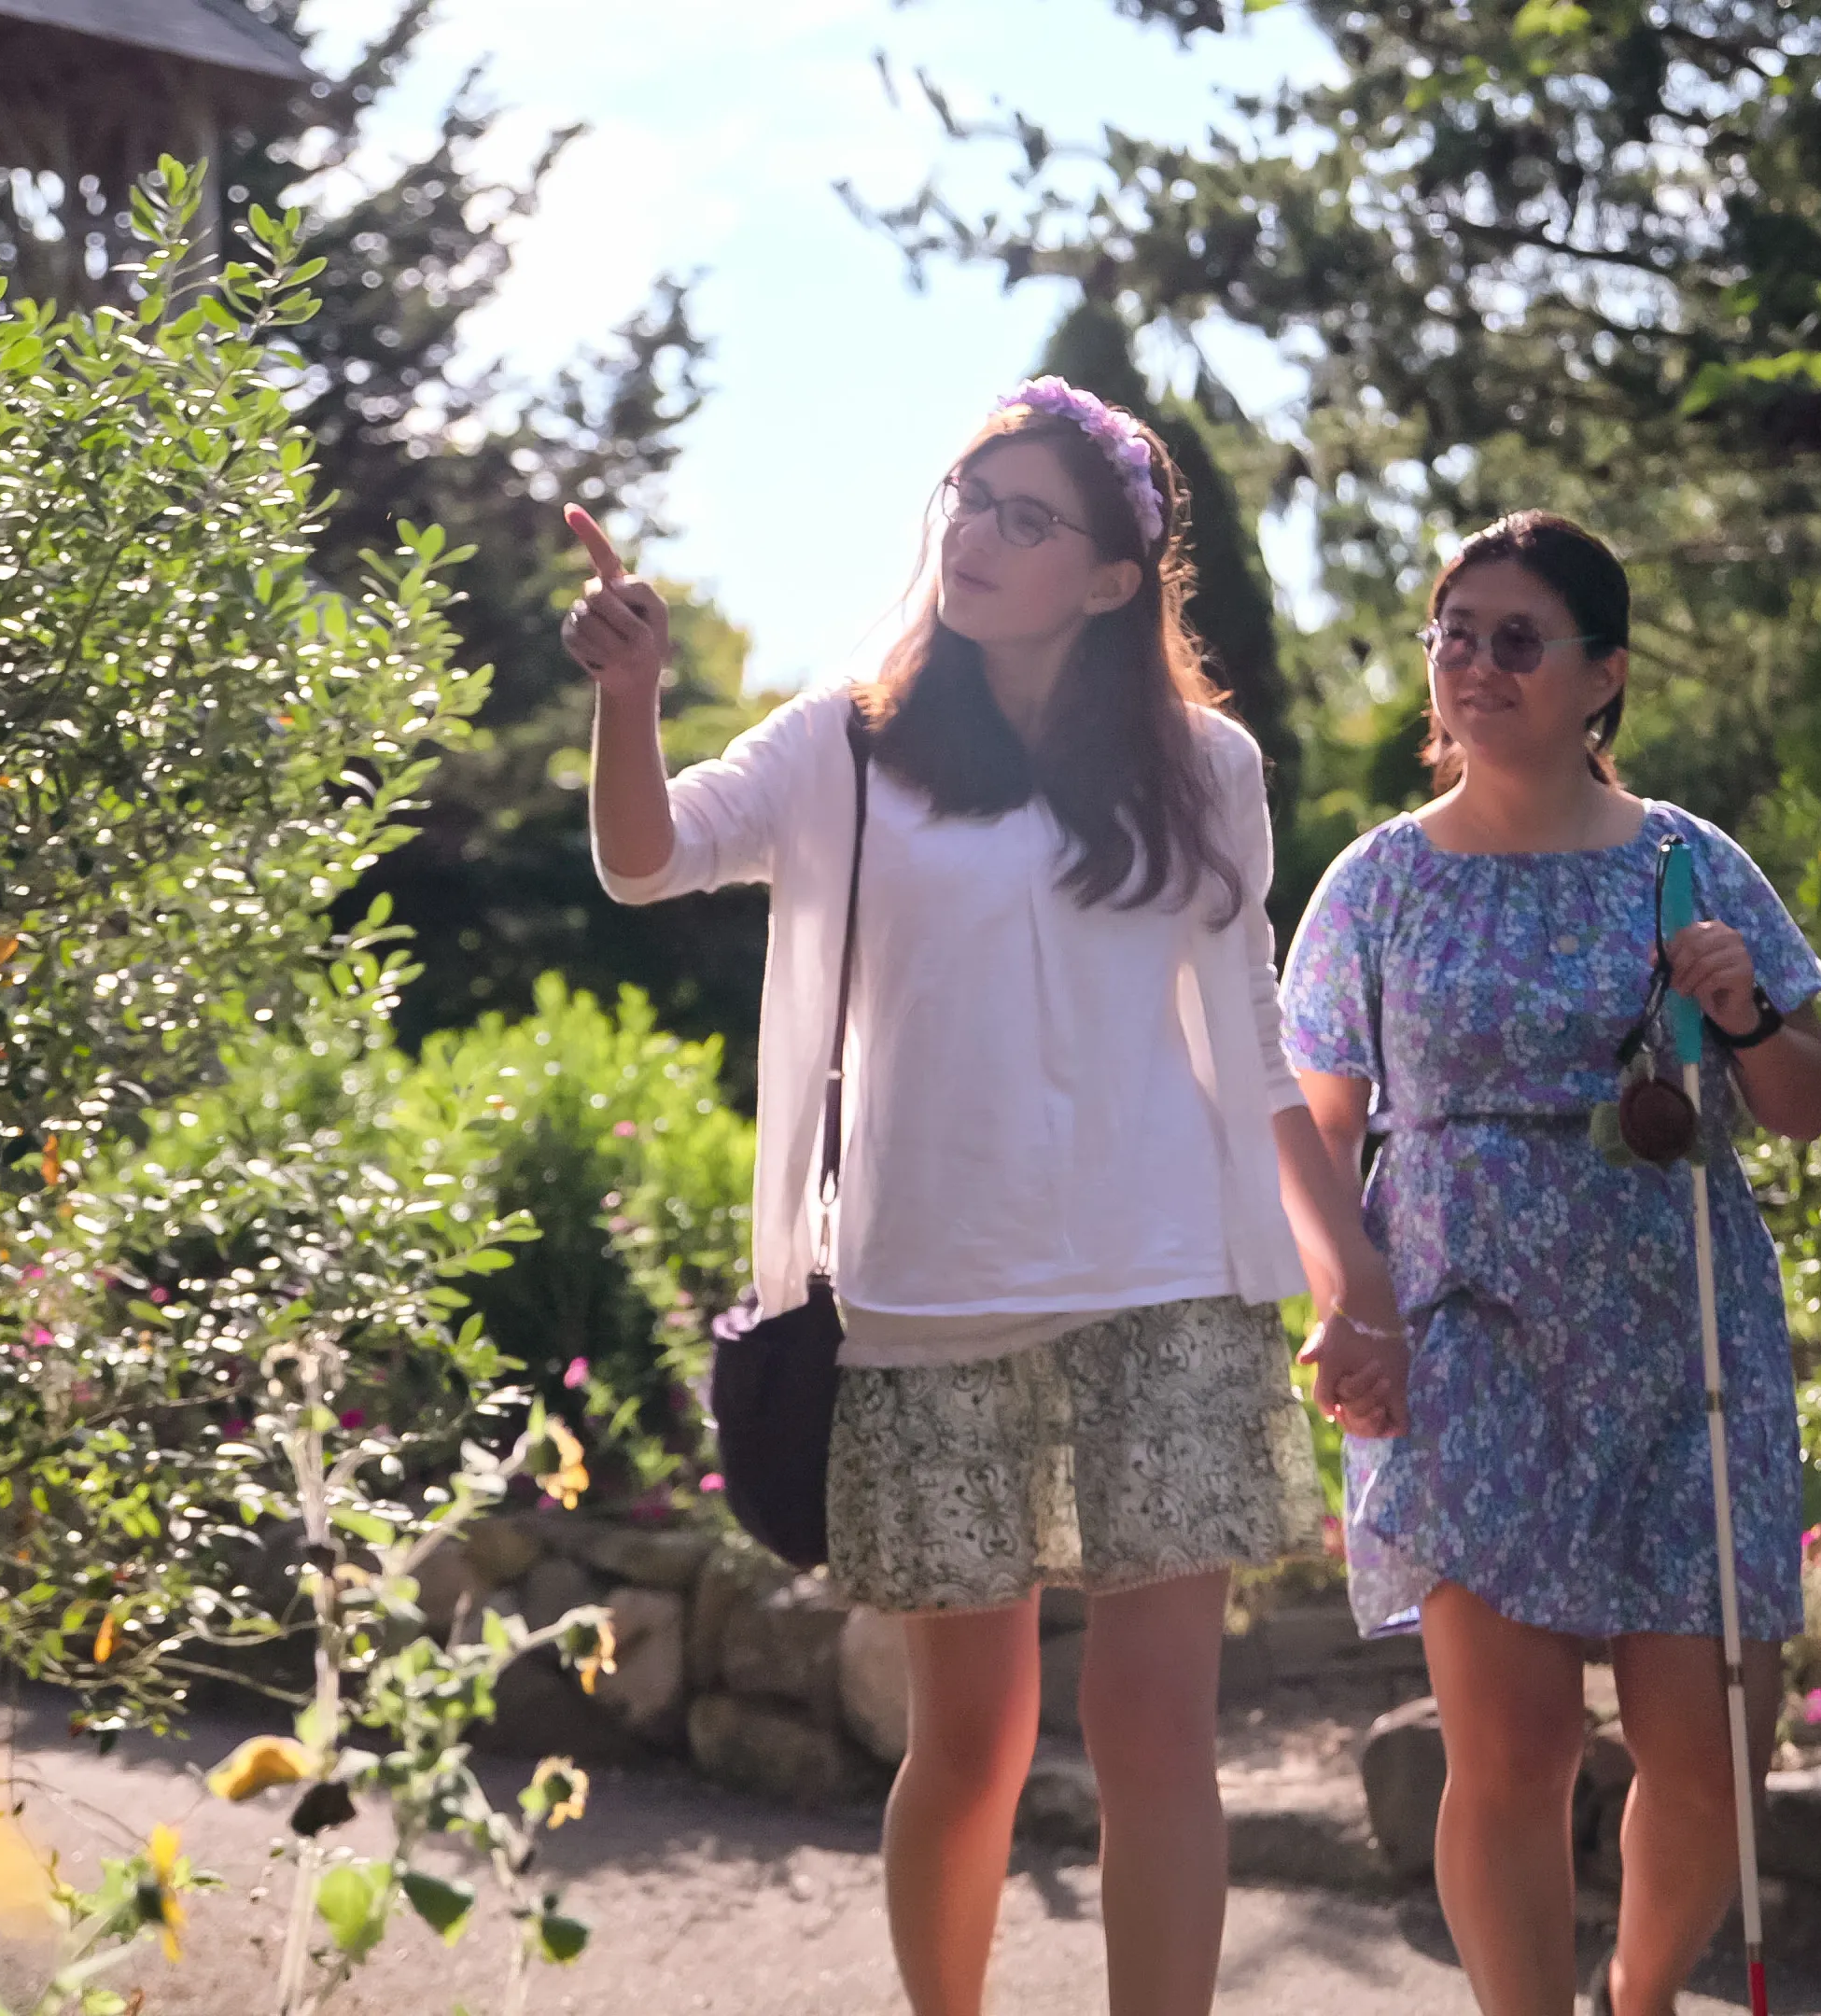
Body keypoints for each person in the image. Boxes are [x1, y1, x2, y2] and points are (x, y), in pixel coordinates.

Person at [561, 377, 1405, 2016]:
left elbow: (1251, 1030)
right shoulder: (844, 745)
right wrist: (632, 697)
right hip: (928, 1298)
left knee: (1156, 1736)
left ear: (1110, 580)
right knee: (970, 1743)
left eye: (1028, 518)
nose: (980, 534)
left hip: (1168, 1284)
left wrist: (1346, 1270)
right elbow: (646, 858)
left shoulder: (1207, 764)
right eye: (969, 499)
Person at [1275, 511, 1821, 2016]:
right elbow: (1313, 1130)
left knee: (1715, 1755)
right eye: (1453, 636)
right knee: (1511, 1754)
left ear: (1605, 674)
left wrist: (1744, 1015)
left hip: (1683, 1338)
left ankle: (1636, 1996)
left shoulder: (1687, 863)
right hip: (1464, 1333)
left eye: (1516, 639)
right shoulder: (1377, 883)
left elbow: (1806, 1103)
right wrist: (1347, 1304)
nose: (1475, 664)